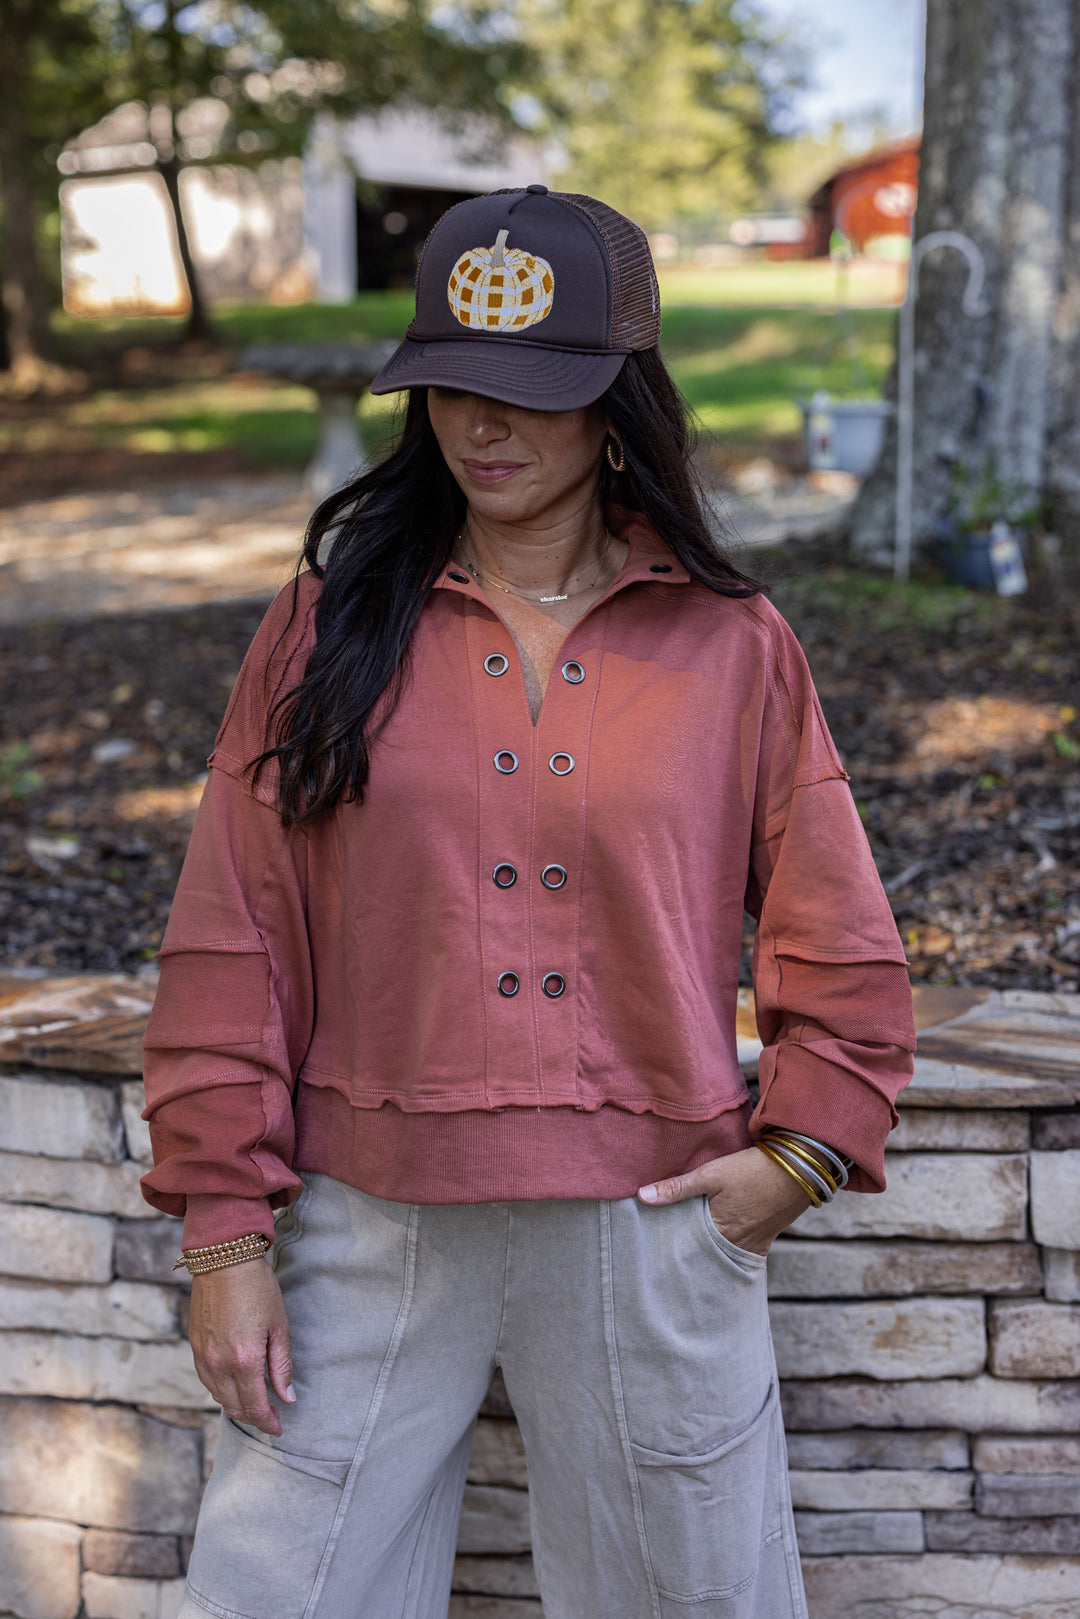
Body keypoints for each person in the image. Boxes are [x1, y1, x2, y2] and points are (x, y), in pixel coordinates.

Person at [141, 185, 916, 1619]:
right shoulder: (324, 626)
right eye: (449, 383)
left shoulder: (731, 642)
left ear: (618, 401)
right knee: (266, 1595)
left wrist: (803, 1154)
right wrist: (227, 1235)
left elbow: (838, 932)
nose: (482, 425)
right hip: (362, 1220)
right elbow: (233, 934)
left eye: (532, 391)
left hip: (650, 1221)